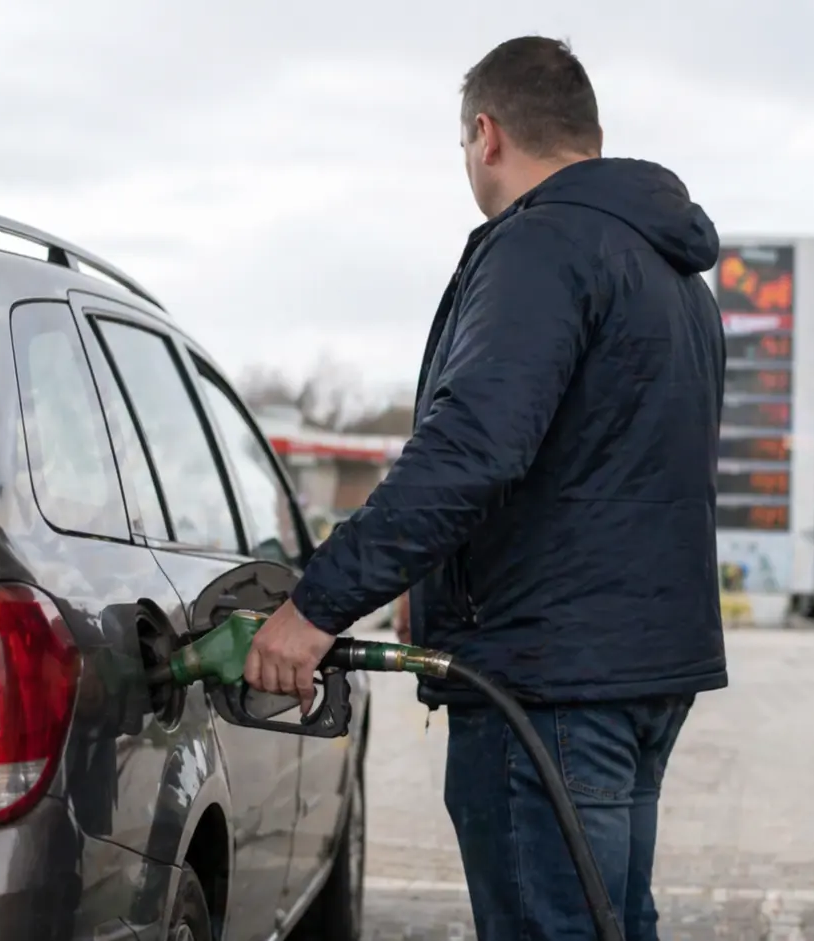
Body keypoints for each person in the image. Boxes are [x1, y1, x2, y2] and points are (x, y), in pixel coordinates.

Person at [243, 35, 727, 940]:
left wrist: (317, 606)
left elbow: (471, 450)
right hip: (642, 665)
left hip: (547, 679)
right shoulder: (675, 272)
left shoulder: (541, 247)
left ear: (487, 133)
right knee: (610, 918)